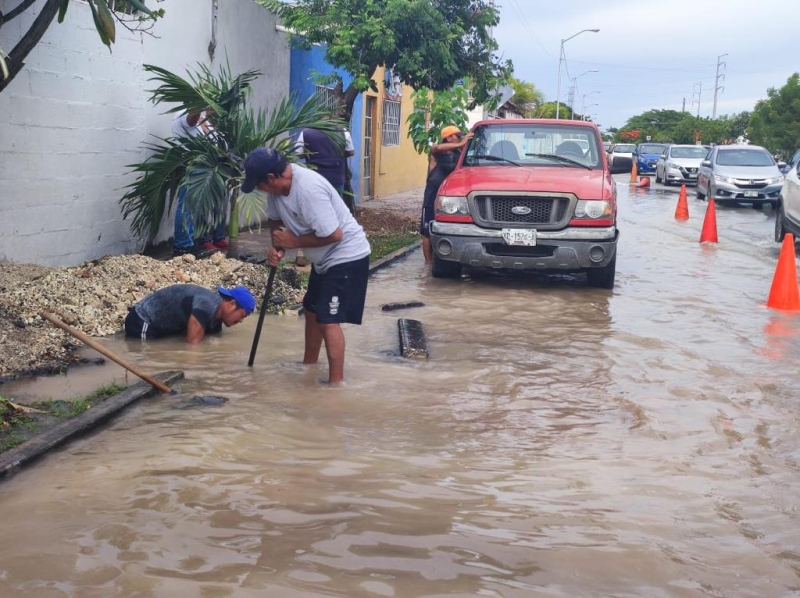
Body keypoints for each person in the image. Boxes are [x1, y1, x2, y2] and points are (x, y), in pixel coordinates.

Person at [241, 148, 371, 384]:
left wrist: (294, 242)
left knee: (327, 319)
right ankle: (309, 365)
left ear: (270, 178)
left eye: (259, 184)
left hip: (347, 255)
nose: (260, 190)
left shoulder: (308, 189)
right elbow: (275, 221)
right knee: (311, 310)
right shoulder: (276, 191)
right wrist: (277, 247)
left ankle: (336, 385)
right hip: (323, 260)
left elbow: (335, 234)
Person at [171, 110, 229, 256]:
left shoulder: (204, 119)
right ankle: (183, 245)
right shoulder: (184, 116)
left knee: (197, 207)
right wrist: (200, 104)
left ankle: (191, 242)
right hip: (193, 165)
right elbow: (191, 120)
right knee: (188, 206)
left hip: (207, 167)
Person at [125, 284, 255, 344]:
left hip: (167, 324)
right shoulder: (206, 307)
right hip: (142, 320)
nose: (241, 321)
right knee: (144, 350)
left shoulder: (217, 320)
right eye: (242, 315)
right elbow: (193, 348)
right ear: (231, 304)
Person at [420, 125, 473, 264]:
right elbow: (436, 148)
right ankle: (428, 264)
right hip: (432, 196)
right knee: (427, 230)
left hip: (448, 199)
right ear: (449, 137)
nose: (461, 138)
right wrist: (462, 143)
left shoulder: (458, 155)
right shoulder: (437, 152)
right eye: (458, 136)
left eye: (461, 136)